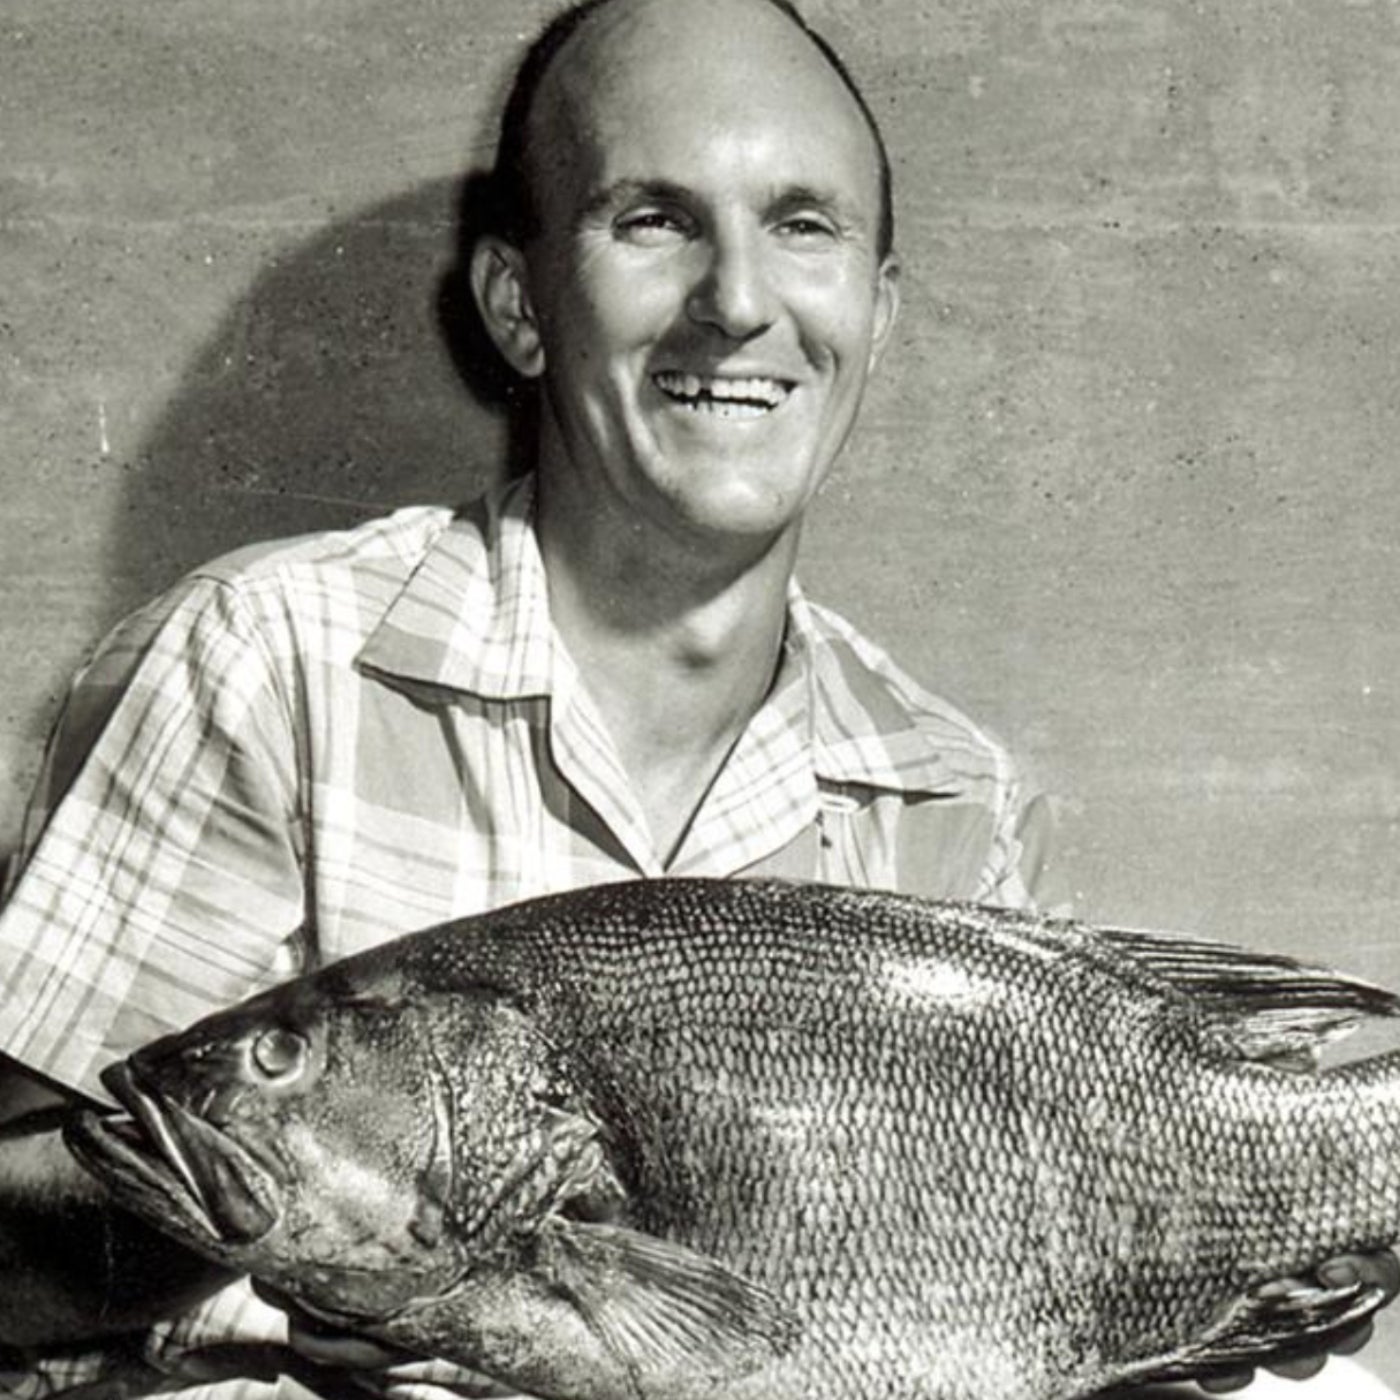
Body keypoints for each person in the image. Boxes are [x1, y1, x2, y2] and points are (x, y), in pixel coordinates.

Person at [0, 1, 1392, 1397]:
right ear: (519, 306)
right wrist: (329, 1237)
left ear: (876, 315)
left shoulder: (946, 792)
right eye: (654, 220)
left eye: (804, 225)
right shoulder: (264, 658)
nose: (737, 301)